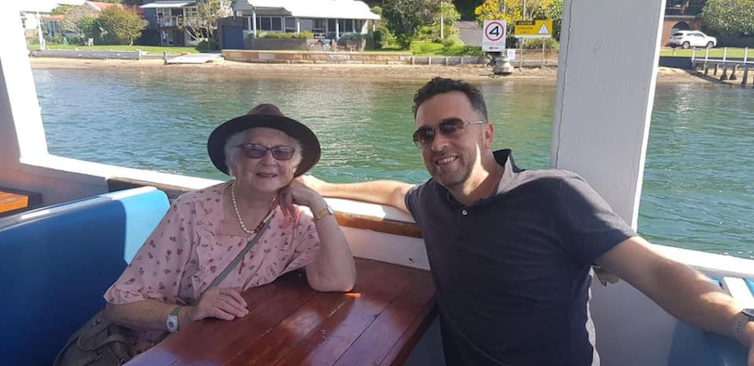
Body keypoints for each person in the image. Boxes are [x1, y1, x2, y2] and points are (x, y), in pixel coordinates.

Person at [302, 77, 754, 366]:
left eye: (452, 126)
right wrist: (324, 188)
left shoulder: (553, 194)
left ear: (487, 133)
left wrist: (743, 325)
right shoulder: (433, 200)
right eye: (425, 134)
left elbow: (654, 270)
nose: (437, 142)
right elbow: (394, 192)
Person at [103, 104, 356, 355]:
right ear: (234, 160)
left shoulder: (294, 218)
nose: (269, 161)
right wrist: (187, 315)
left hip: (232, 345)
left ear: (294, 165)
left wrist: (317, 202)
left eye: (282, 152)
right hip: (167, 348)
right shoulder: (191, 211)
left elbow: (339, 281)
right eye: (254, 150)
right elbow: (119, 306)